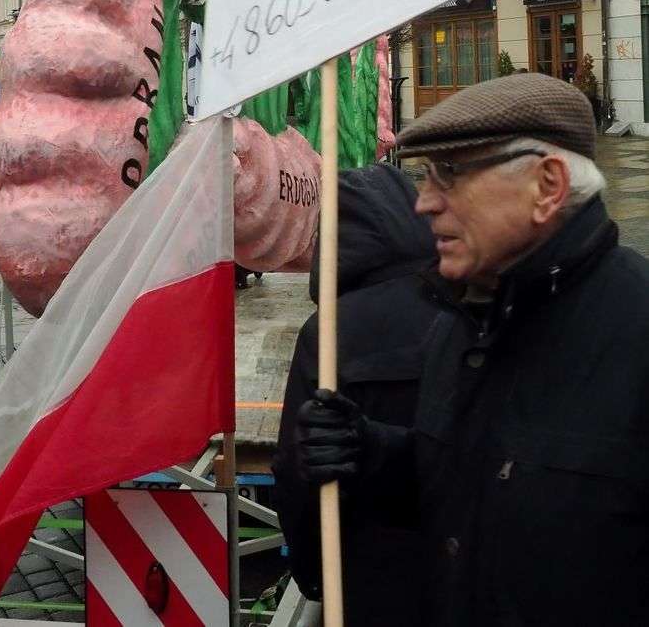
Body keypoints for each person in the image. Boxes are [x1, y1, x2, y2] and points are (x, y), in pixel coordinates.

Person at [296, 74, 649, 626]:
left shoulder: (635, 325)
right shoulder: (465, 322)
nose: (424, 204)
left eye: (451, 175)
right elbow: (467, 492)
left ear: (547, 185)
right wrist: (371, 452)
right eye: (425, 177)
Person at [273, 165, 438, 625]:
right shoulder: (467, 301)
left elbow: (298, 468)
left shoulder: (329, 331)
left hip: (370, 573)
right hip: (466, 564)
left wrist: (312, 572)